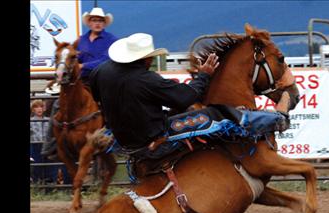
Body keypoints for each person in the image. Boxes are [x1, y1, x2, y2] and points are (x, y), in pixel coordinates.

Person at [88, 32, 290, 160]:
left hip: (124, 139)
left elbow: (97, 97)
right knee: (217, 114)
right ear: (146, 59)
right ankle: (277, 118)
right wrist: (204, 75)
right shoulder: (147, 80)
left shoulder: (101, 72)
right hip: (153, 140)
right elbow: (185, 97)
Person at [41, 7, 118, 160]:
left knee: (110, 104)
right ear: (89, 22)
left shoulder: (111, 40)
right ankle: (51, 144)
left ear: (104, 23)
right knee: (57, 104)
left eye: (100, 20)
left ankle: (112, 139)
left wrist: (84, 66)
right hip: (80, 81)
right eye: (94, 20)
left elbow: (107, 59)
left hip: (102, 79)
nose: (97, 23)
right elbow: (71, 58)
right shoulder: (80, 40)